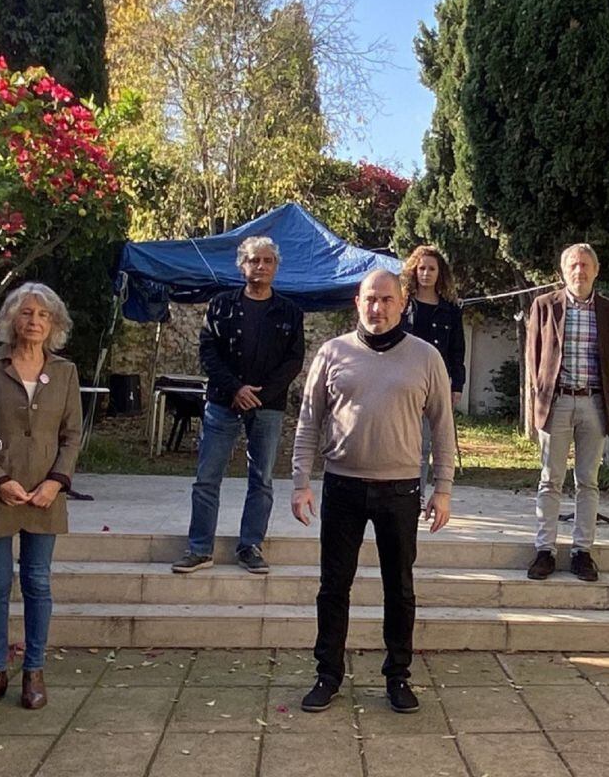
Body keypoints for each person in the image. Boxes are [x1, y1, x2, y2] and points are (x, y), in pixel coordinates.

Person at [291, 269, 455, 715]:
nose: (377, 308)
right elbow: (309, 422)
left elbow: (443, 428)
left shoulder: (425, 357)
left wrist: (442, 489)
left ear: (402, 304)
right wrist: (301, 482)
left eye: (386, 299)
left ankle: (398, 677)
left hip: (400, 491)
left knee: (399, 588)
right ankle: (328, 674)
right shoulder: (331, 353)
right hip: (342, 486)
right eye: (370, 299)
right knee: (333, 587)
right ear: (356, 302)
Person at [0, 283, 82, 711]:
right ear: (11, 319)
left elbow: (72, 435)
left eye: (43, 315)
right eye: (26, 313)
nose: (34, 322)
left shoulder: (64, 372)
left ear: (54, 325)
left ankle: (34, 671)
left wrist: (56, 481)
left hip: (46, 493)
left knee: (37, 582)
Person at [172, 236, 304, 575]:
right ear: (242, 265)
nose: (260, 266)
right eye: (254, 260)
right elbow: (208, 352)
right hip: (222, 402)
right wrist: (235, 388)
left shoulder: (290, 311)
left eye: (267, 261)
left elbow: (293, 360)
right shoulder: (220, 305)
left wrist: (259, 393)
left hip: (268, 406)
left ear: (276, 267)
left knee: (261, 479)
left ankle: (250, 547)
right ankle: (200, 549)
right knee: (207, 477)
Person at [526, 244, 609, 582]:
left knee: (588, 481)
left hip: (593, 403)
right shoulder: (544, 307)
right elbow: (534, 357)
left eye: (585, 265)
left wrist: (602, 395)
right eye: (572, 265)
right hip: (557, 402)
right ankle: (545, 551)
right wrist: (540, 399)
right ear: (563, 271)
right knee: (549, 479)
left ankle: (583, 552)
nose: (578, 270)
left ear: (596, 270)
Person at [401, 244, 466, 498]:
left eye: (431, 268)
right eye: (421, 268)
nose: (426, 273)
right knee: (400, 441)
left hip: (435, 384)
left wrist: (457, 385)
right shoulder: (402, 305)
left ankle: (415, 496)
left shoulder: (451, 310)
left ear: (440, 273)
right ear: (414, 271)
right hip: (402, 381)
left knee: (425, 444)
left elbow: (457, 351)